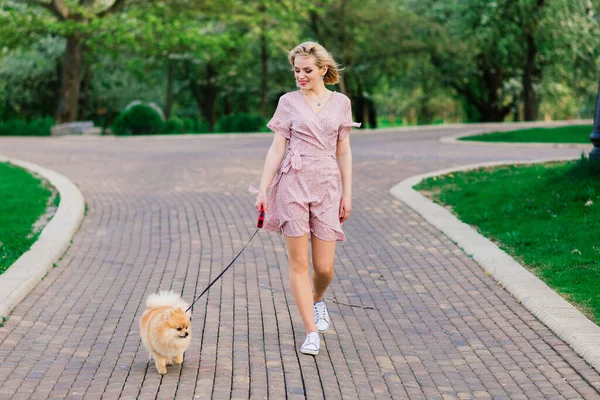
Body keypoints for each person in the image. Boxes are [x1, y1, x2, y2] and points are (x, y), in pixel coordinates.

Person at [251, 41, 360, 356]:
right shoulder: (287, 102)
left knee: (324, 268)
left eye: (307, 70)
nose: (300, 75)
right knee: (299, 263)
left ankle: (317, 298)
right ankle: (311, 330)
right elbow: (276, 148)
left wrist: (347, 194)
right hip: (292, 186)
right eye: (297, 70)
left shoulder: (341, 103)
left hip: (327, 186)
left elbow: (344, 151)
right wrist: (263, 188)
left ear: (323, 70)